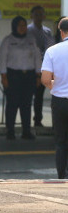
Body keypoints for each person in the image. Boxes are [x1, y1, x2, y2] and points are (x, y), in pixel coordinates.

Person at [0, 16, 42, 140]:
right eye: (20, 25)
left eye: (24, 25)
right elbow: (2, 60)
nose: (22, 28)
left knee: (26, 104)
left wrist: (38, 75)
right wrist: (4, 76)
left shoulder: (31, 39)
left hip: (29, 76)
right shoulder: (8, 40)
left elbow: (37, 58)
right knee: (12, 104)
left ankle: (26, 131)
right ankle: (10, 131)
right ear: (14, 26)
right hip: (13, 76)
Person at [41, 17, 68, 179]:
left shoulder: (52, 51)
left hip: (59, 101)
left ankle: (62, 175)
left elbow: (45, 79)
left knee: (60, 141)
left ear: (60, 31)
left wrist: (56, 87)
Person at [28, 5, 53, 127]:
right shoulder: (27, 30)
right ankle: (25, 121)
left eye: (41, 14)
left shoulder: (47, 31)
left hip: (44, 67)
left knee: (39, 96)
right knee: (27, 96)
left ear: (44, 16)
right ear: (31, 16)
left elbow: (51, 49)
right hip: (30, 67)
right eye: (36, 14)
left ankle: (37, 120)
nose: (39, 17)